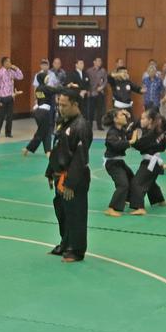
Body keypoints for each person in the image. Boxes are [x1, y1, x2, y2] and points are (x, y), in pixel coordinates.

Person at [46, 88, 92, 262]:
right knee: (62, 212)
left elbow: (80, 158)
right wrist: (50, 171)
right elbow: (57, 149)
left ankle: (77, 249)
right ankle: (65, 243)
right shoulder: (63, 122)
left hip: (74, 178)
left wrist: (71, 184)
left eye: (64, 105)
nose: (60, 108)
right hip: (59, 176)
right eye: (59, 104)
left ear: (75, 104)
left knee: (76, 214)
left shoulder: (81, 126)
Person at [128, 108, 166, 215]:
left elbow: (138, 145)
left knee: (137, 183)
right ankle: (160, 200)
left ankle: (139, 207)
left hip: (150, 163)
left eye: (143, 118)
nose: (141, 120)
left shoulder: (151, 135)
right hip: (155, 163)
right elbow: (163, 146)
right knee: (150, 183)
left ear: (150, 120)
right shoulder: (157, 133)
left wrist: (131, 133)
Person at [102, 108, 134, 217]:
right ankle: (111, 208)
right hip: (112, 163)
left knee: (131, 179)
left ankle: (125, 199)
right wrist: (129, 142)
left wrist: (129, 116)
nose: (124, 116)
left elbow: (129, 131)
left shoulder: (121, 130)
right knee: (123, 184)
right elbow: (115, 145)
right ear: (115, 119)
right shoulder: (112, 133)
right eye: (122, 115)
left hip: (119, 161)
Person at [23, 68, 58, 156]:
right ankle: (28, 148)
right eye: (46, 78)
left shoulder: (38, 88)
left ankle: (47, 151)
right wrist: (68, 87)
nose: (48, 79)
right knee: (42, 132)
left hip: (38, 112)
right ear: (42, 78)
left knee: (45, 131)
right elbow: (56, 90)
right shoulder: (45, 88)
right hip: (43, 113)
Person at [0, 57, 22, 138]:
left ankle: (8, 133)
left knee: (10, 116)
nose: (10, 63)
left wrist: (16, 68)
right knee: (0, 117)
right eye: (8, 62)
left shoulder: (11, 72)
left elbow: (20, 77)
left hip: (10, 97)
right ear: (4, 63)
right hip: (2, 98)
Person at [86, 57, 108, 131]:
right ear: (94, 62)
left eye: (100, 61)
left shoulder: (103, 71)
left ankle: (99, 125)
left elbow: (105, 81)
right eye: (98, 61)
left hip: (100, 93)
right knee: (91, 110)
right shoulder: (89, 71)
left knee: (100, 110)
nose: (99, 62)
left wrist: (102, 87)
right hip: (91, 93)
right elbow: (86, 81)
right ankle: (90, 125)